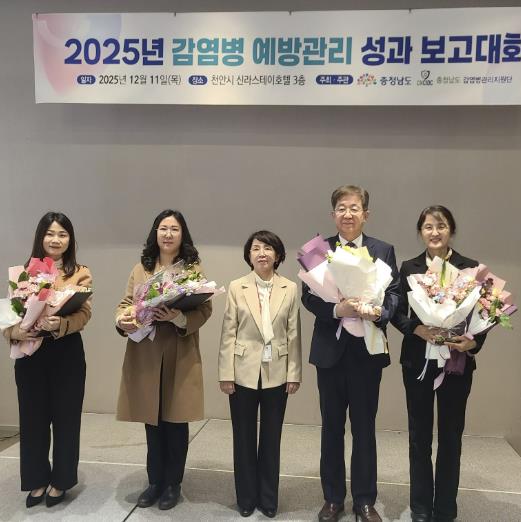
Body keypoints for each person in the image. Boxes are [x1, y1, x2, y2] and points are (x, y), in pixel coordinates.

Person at [302, 185, 399, 522]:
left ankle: (365, 501)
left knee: (364, 429)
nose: (348, 214)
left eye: (354, 208)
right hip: (330, 352)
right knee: (331, 428)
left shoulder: (383, 250)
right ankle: (332, 499)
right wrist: (336, 309)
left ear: (365, 214)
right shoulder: (319, 251)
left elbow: (394, 294)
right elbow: (308, 296)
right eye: (341, 208)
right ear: (333, 214)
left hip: (366, 354)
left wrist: (380, 312)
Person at [391, 205, 487, 522]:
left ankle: (446, 508)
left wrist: (473, 341)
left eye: (441, 226)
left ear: (451, 230)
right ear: (421, 232)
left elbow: (484, 315)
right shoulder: (409, 267)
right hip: (418, 362)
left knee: (451, 437)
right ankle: (420, 507)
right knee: (419, 437)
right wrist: (416, 328)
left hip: (456, 364)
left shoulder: (470, 268)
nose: (435, 232)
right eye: (428, 227)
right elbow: (397, 312)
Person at [115, 209, 212, 511]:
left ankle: (173, 483)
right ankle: (154, 481)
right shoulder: (141, 268)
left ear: (183, 235)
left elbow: (204, 309)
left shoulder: (192, 269)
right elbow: (126, 303)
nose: (168, 234)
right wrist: (123, 318)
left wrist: (178, 316)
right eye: (163, 228)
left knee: (176, 421)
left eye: (174, 229)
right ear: (155, 233)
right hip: (147, 352)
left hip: (179, 352)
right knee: (153, 421)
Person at [6, 211, 92, 508]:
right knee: (32, 420)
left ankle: (61, 481)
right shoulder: (22, 274)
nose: (56, 239)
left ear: (70, 240)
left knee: (66, 419)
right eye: (50, 233)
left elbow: (84, 313)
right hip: (30, 353)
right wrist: (15, 331)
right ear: (40, 237)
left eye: (62, 234)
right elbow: (10, 313)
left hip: (66, 351)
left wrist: (60, 324)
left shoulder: (79, 272)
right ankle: (36, 479)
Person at [219, 230, 302, 518]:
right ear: (249, 255)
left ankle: (268, 499)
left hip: (277, 371)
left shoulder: (289, 288)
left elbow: (293, 333)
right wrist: (225, 372)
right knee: (243, 437)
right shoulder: (236, 286)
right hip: (242, 370)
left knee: (271, 438)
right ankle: (246, 497)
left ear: (278, 255)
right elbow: (228, 332)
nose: (262, 253)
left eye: (268, 248)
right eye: (256, 248)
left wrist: (294, 373)